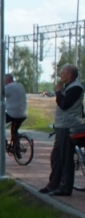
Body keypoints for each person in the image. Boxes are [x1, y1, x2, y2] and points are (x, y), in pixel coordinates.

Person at [40, 64, 84, 196]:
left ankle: (65, 188)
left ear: (70, 75)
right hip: (62, 126)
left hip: (68, 127)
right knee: (57, 157)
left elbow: (64, 105)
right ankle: (53, 184)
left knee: (65, 158)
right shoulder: (70, 87)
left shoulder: (75, 88)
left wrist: (58, 92)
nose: (60, 74)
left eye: (63, 72)